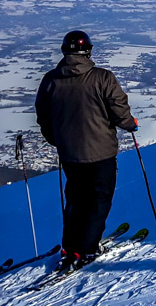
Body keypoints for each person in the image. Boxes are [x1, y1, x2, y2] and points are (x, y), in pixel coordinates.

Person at [35, 31, 137, 269]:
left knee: (75, 200)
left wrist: (58, 140)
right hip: (101, 153)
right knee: (98, 200)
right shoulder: (102, 78)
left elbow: (43, 116)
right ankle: (88, 249)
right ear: (88, 51)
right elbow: (120, 111)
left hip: (70, 154)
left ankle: (69, 246)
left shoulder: (50, 79)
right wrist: (131, 124)